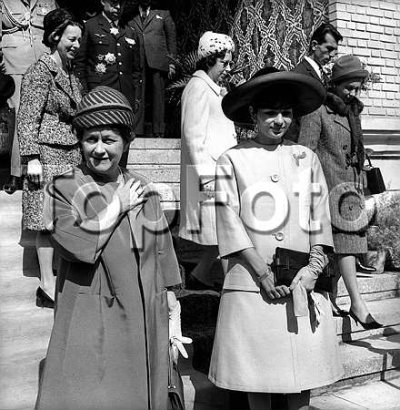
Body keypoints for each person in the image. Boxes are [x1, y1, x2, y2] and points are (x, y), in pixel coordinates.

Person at [36, 86, 191, 409]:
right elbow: (75, 244)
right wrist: (116, 206)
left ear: (125, 142)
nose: (100, 149)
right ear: (79, 142)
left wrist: (171, 316)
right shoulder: (62, 188)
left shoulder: (144, 189)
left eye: (109, 139)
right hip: (91, 318)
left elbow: (162, 254)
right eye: (91, 139)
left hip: (145, 316)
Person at [208, 68, 343, 410]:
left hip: (300, 279)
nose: (279, 121)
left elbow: (318, 214)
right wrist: (262, 273)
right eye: (270, 113)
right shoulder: (233, 159)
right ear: (253, 115)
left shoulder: (305, 157)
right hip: (253, 282)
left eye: (286, 113)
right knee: (259, 375)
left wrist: (314, 266)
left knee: (302, 372)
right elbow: (229, 218)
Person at [298, 55, 383, 330]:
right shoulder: (317, 110)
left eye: (358, 88)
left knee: (342, 247)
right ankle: (358, 305)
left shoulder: (352, 111)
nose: (353, 93)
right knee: (346, 244)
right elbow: (306, 150)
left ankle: (331, 298)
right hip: (330, 186)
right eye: (349, 87)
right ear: (335, 84)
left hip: (352, 188)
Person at [17, 9, 83, 307]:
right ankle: (46, 284)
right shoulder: (40, 71)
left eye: (79, 40)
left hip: (69, 152)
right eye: (72, 39)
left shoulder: (70, 72)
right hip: (46, 153)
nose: (77, 45)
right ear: (55, 37)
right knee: (45, 221)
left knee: (60, 218)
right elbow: (27, 115)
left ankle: (58, 278)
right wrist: (31, 157)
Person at [179, 31, 237, 289]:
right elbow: (193, 136)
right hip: (210, 173)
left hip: (220, 170)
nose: (228, 68)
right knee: (225, 232)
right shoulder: (198, 88)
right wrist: (206, 178)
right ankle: (232, 286)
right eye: (224, 62)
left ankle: (199, 276)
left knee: (221, 232)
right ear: (209, 60)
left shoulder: (213, 89)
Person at [74, 0, 141, 167]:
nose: (118, 7)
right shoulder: (90, 26)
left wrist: (136, 97)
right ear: (103, 1)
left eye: (121, 4)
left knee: (121, 143)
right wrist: (85, 93)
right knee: (98, 145)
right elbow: (80, 64)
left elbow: (136, 70)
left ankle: (120, 181)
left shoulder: (130, 30)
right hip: (99, 99)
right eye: (114, 3)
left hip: (124, 99)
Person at [1, 0, 58, 194]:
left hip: (43, 62)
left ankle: (43, 169)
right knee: (21, 118)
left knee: (45, 117)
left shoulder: (48, 1)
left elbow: (57, 29)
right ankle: (16, 173)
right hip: (14, 62)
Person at [130, 0, 177, 138]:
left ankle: (158, 130)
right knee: (138, 94)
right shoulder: (131, 16)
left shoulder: (163, 14)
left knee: (158, 96)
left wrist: (172, 62)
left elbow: (171, 38)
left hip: (159, 60)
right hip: (138, 61)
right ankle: (137, 130)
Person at [292, 23, 343, 87]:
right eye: (329, 49)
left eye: (334, 51)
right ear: (314, 45)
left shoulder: (324, 76)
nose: (332, 54)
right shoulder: (297, 76)